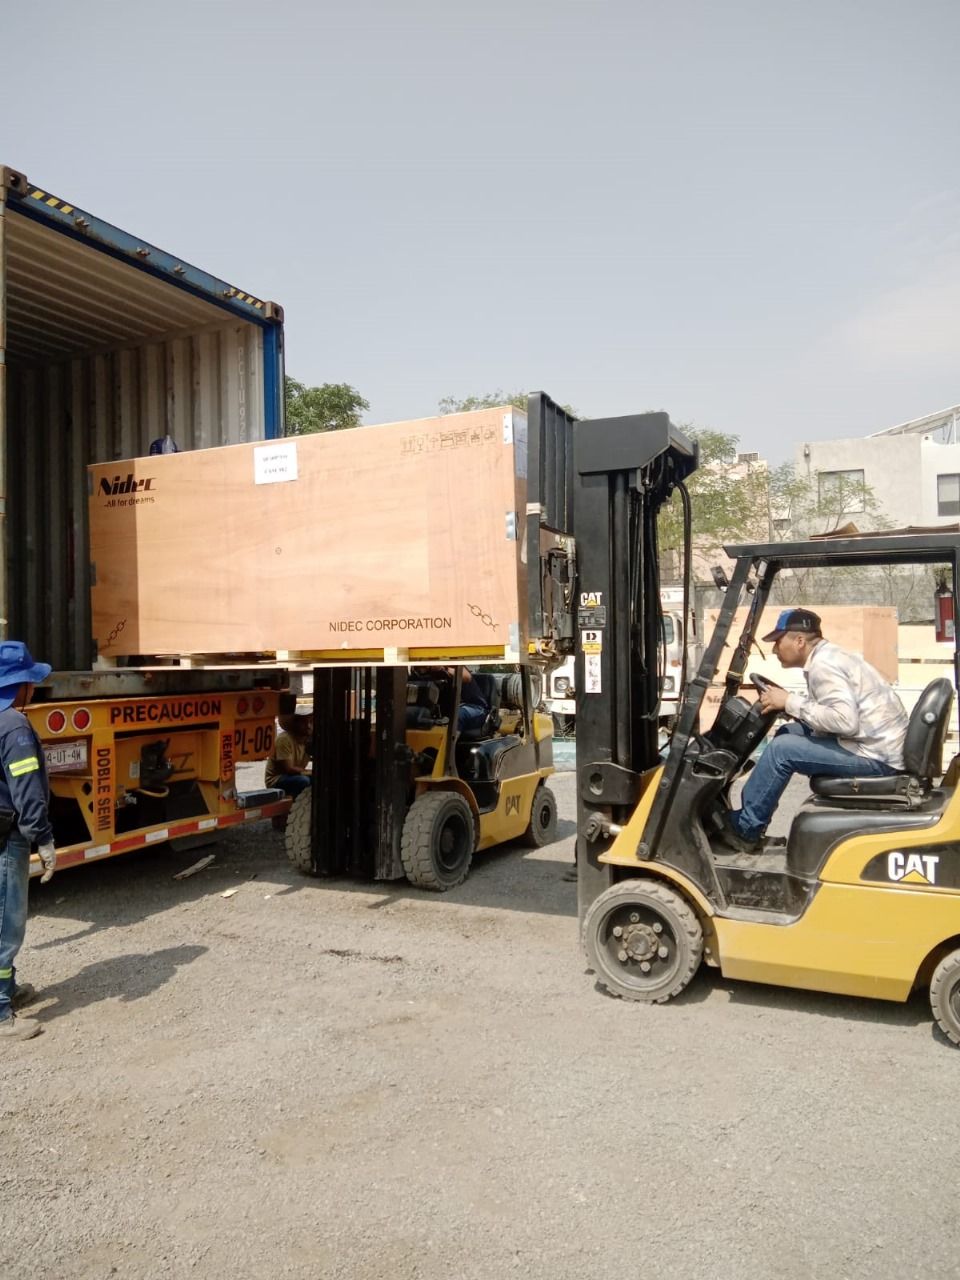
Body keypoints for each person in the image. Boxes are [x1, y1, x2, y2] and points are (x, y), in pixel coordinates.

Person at [721, 608, 909, 853]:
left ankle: (745, 829)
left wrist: (790, 702)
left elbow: (844, 721)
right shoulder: (829, 657)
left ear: (799, 641)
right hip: (874, 746)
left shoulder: (824, 665)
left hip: (877, 757)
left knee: (781, 751)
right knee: (788, 733)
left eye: (778, 641)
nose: (775, 649)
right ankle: (756, 819)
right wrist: (793, 707)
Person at [0, 642, 57, 1044]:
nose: (33, 690)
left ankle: (9, 986)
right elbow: (27, 791)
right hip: (8, 839)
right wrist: (44, 838)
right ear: (19, 686)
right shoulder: (15, 727)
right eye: (30, 682)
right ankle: (1, 1011)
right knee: (7, 924)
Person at [265, 704, 313, 798]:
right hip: (277, 779)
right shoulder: (284, 739)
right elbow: (289, 769)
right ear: (296, 724)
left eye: (311, 722)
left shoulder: (308, 740)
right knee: (304, 781)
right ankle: (293, 803)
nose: (308, 726)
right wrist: (309, 772)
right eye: (303, 722)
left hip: (295, 776)